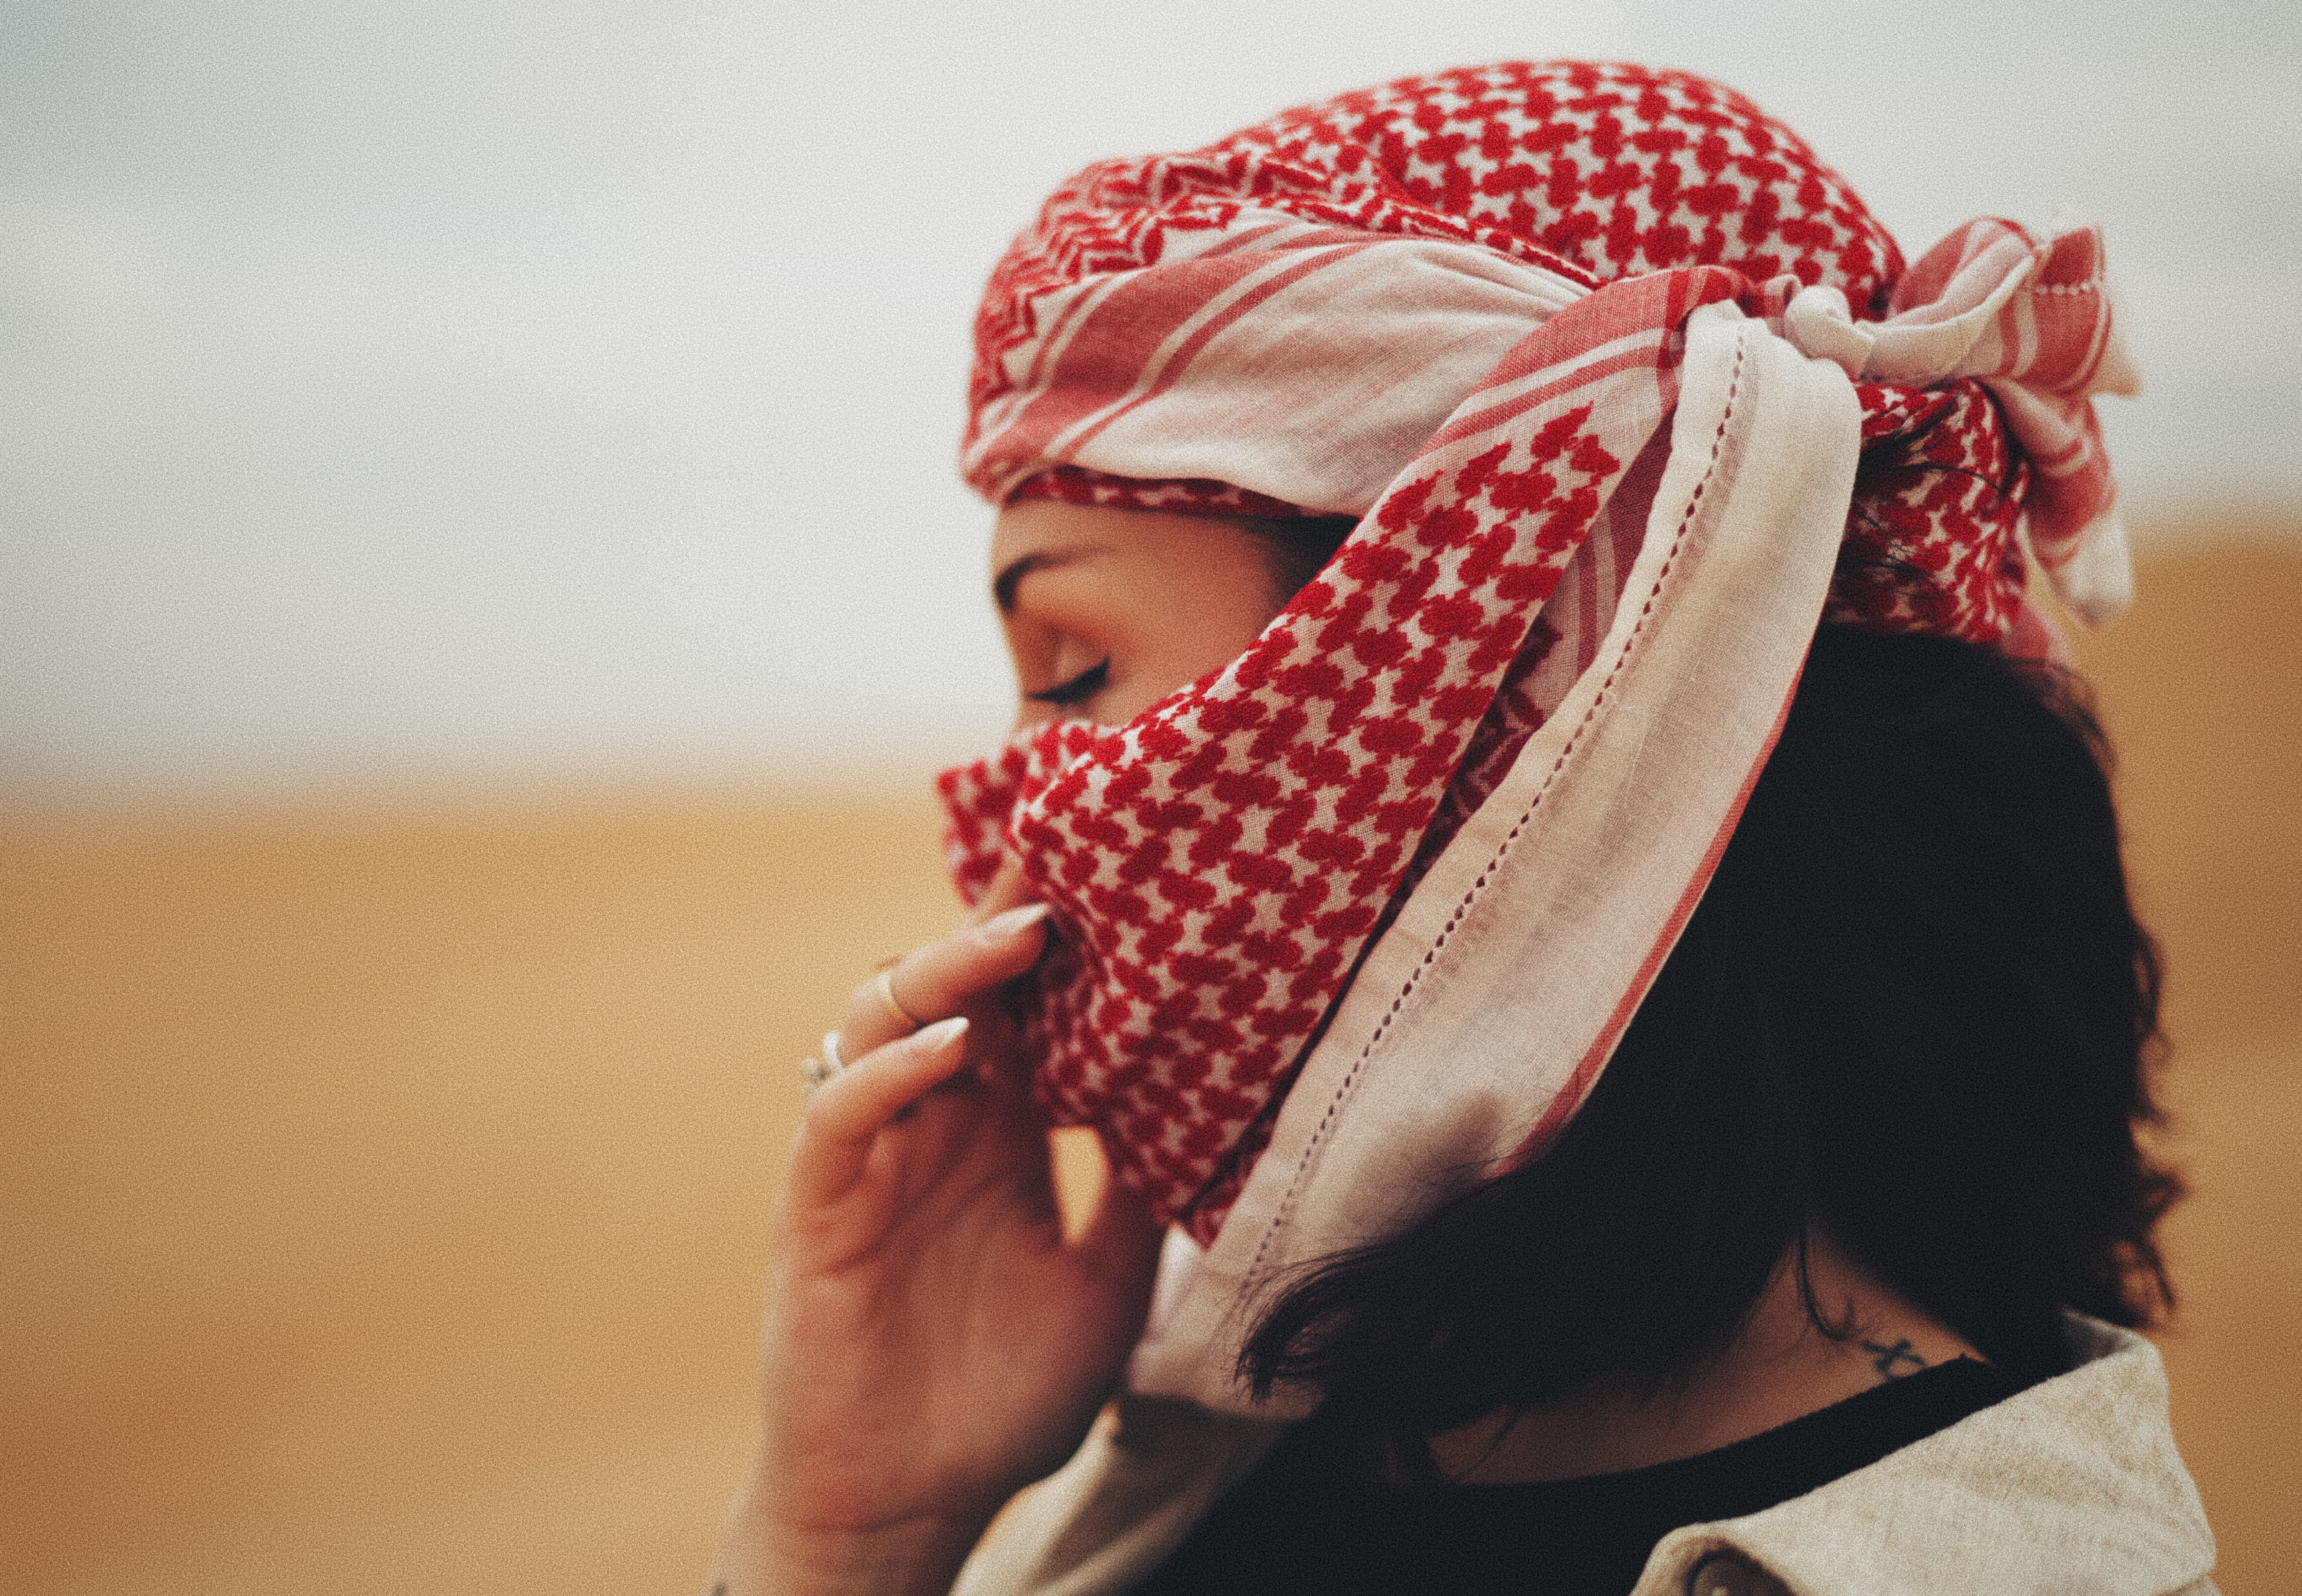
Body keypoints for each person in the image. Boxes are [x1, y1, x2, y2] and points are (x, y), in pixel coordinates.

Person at [716, 62, 2216, 1596]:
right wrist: (847, 1537)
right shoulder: (1259, 1444)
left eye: (1075, 669)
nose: (1021, 826)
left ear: (1527, 682)